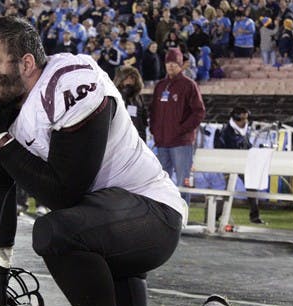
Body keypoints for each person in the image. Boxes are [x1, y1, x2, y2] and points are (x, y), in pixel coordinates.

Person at [0, 16, 267, 306]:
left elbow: (64, 193)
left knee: (54, 230)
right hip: (99, 225)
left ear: (25, 63)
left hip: (149, 215)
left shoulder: (70, 80)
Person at [150, 46, 206, 205]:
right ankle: (163, 214)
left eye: (174, 63)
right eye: (168, 63)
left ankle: (183, 215)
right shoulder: (160, 86)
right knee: (161, 182)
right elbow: (153, 110)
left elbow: (199, 112)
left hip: (181, 143)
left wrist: (181, 130)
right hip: (162, 142)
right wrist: (155, 130)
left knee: (183, 181)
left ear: (181, 64)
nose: (170, 66)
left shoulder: (189, 85)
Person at [218, 106, 265, 224]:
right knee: (228, 189)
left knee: (251, 187)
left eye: (246, 118)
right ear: (236, 119)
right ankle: (217, 214)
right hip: (230, 164)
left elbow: (246, 145)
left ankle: (254, 215)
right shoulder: (226, 131)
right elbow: (227, 147)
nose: (246, 122)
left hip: (244, 163)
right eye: (243, 119)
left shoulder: (244, 130)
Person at [113, 65, 148, 142]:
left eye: (132, 78)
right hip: (121, 139)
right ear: (121, 79)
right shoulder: (115, 97)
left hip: (138, 137)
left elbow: (143, 118)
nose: (129, 81)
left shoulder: (138, 97)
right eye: (126, 78)